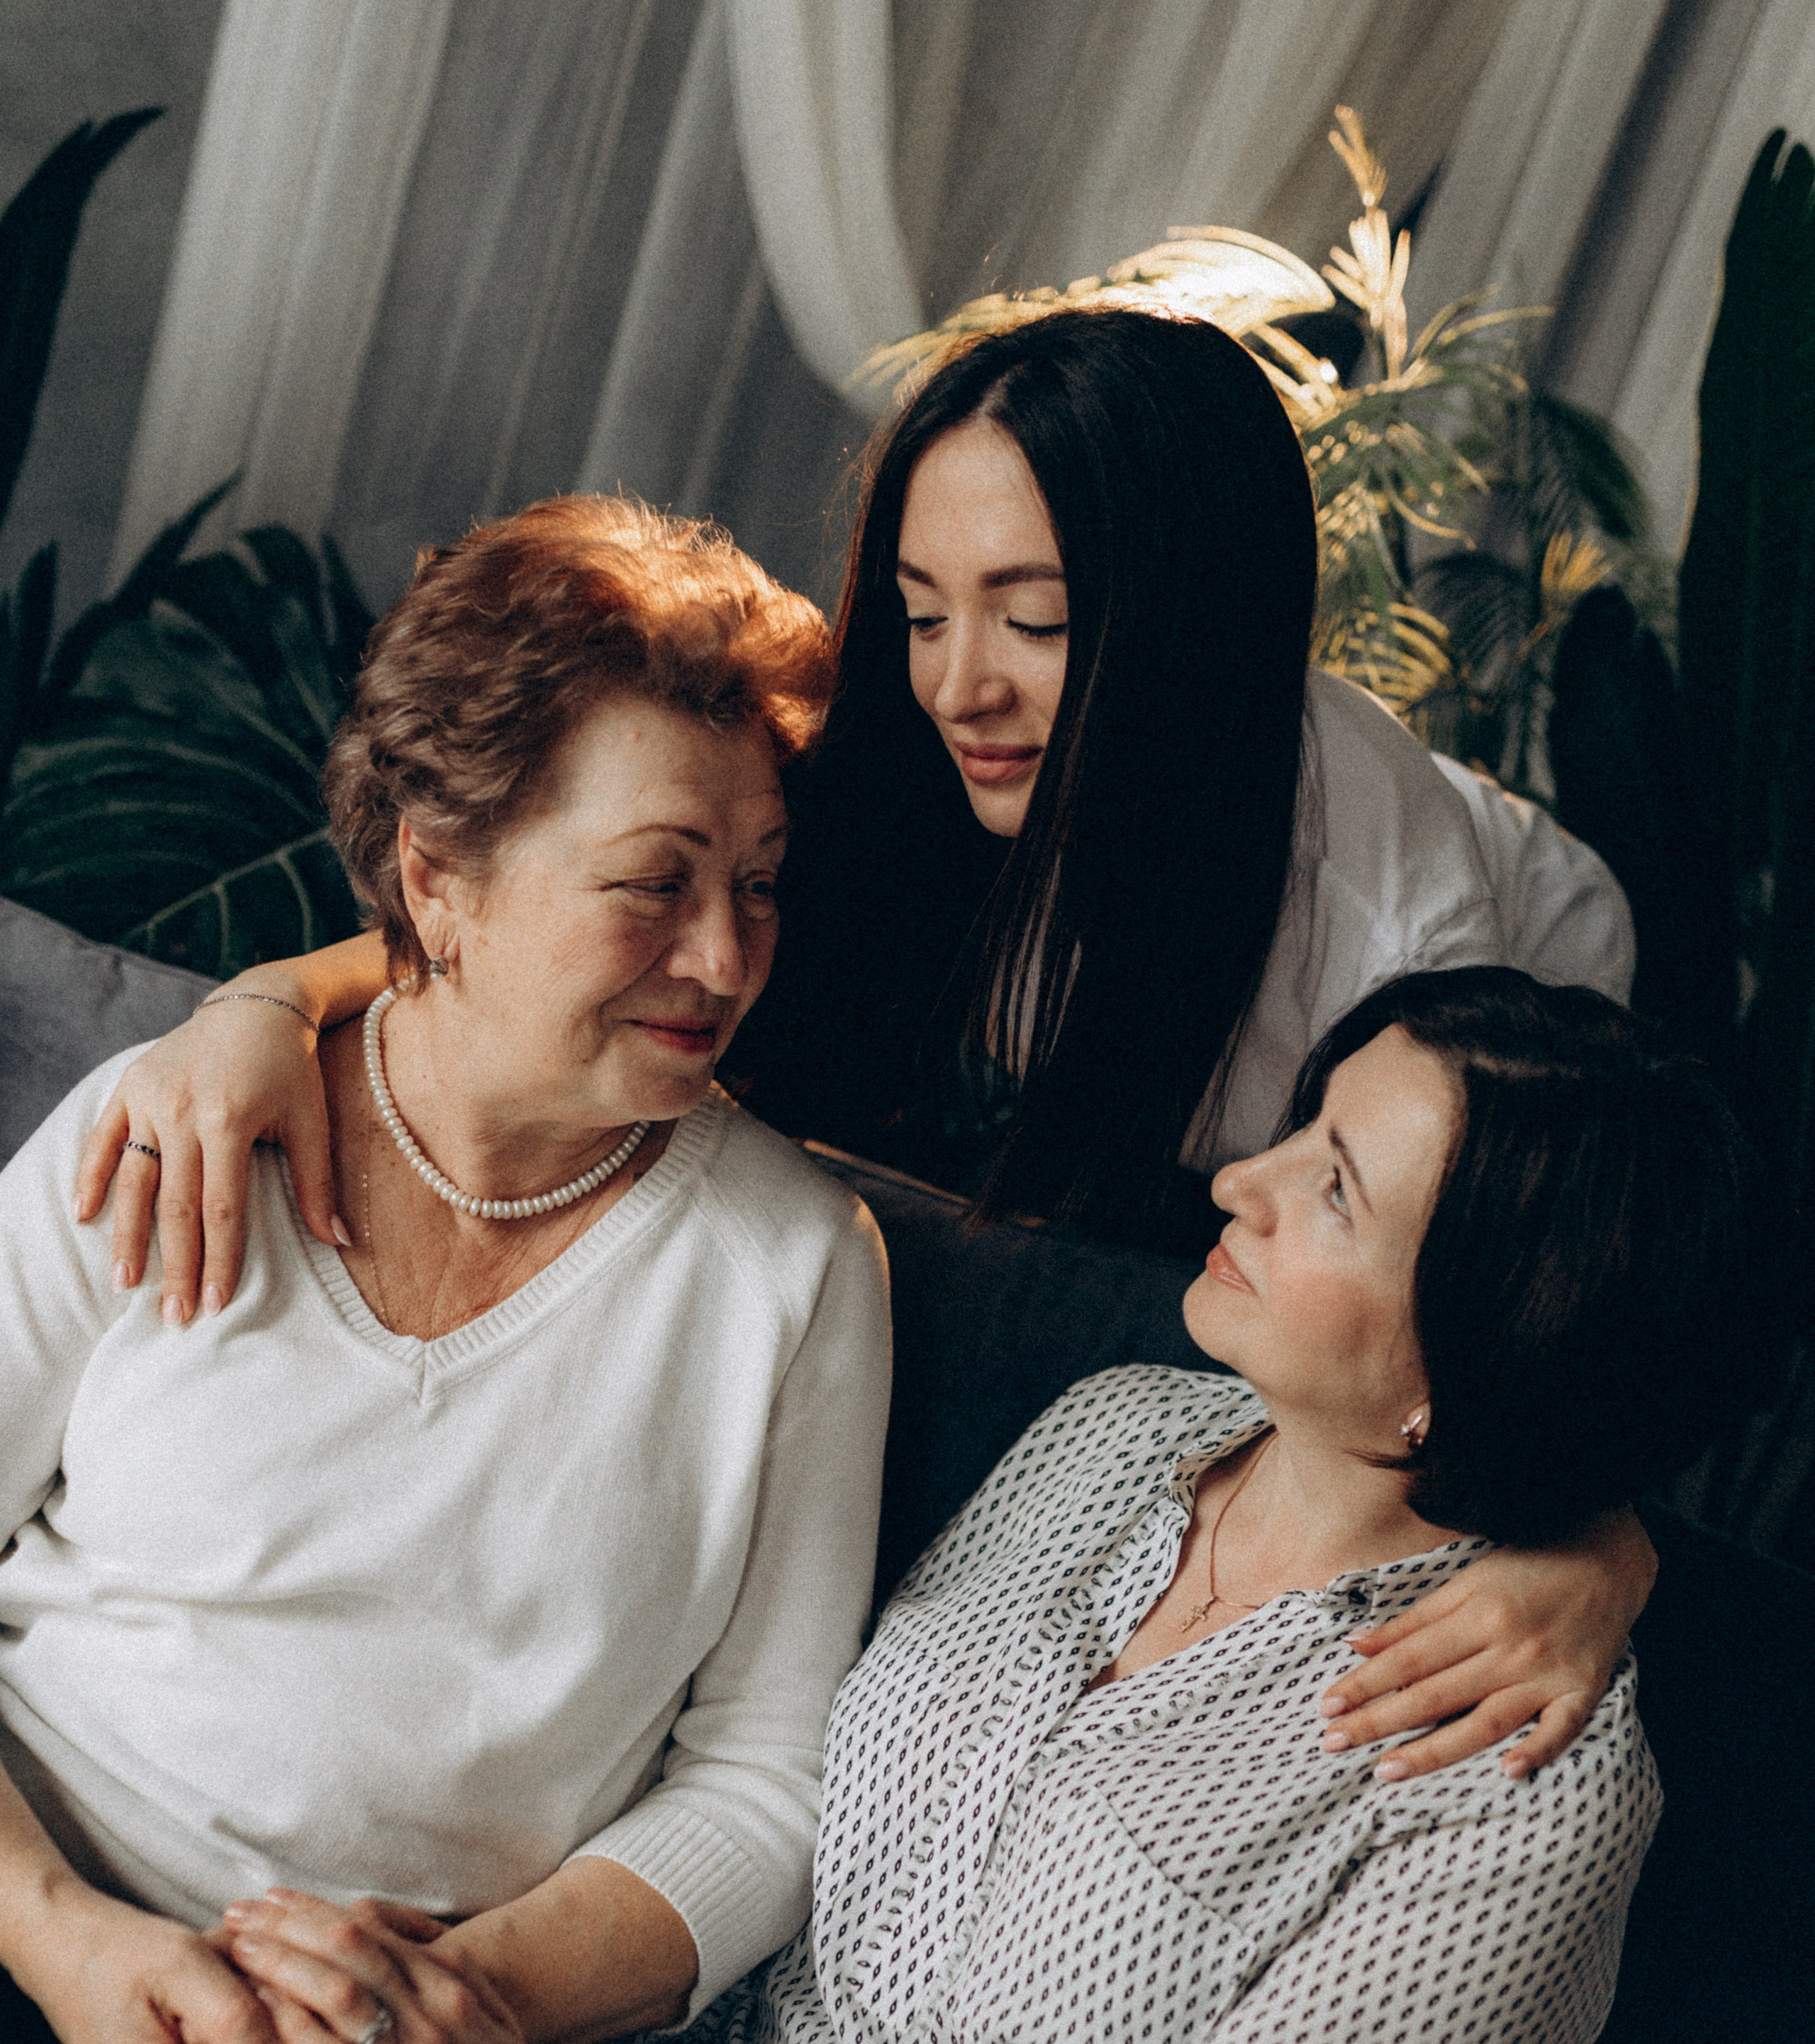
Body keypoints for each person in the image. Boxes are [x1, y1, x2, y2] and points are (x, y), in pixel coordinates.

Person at [153, 968, 1762, 2044]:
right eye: (1299, 1125)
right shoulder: (1109, 1436)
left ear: (1476, 1348)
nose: (1239, 1176)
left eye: (1331, 1190)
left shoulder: (1520, 1783)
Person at [70, 313, 1651, 1791]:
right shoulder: (912, 762)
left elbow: (1553, 1318)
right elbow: (547, 914)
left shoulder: (1404, 945)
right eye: (918, 608)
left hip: (1523, 1068)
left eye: (1032, 619)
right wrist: (267, 1004)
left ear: (1187, 624)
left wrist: (1598, 1546)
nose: (958, 680)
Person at [0, 497, 891, 2044]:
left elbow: (774, 1783)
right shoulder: (166, 1134)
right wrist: (71, 1945)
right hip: (29, 1915)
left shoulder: (790, 1278)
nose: (724, 954)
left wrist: (440, 2022)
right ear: (437, 876)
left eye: (757, 886)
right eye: (655, 883)